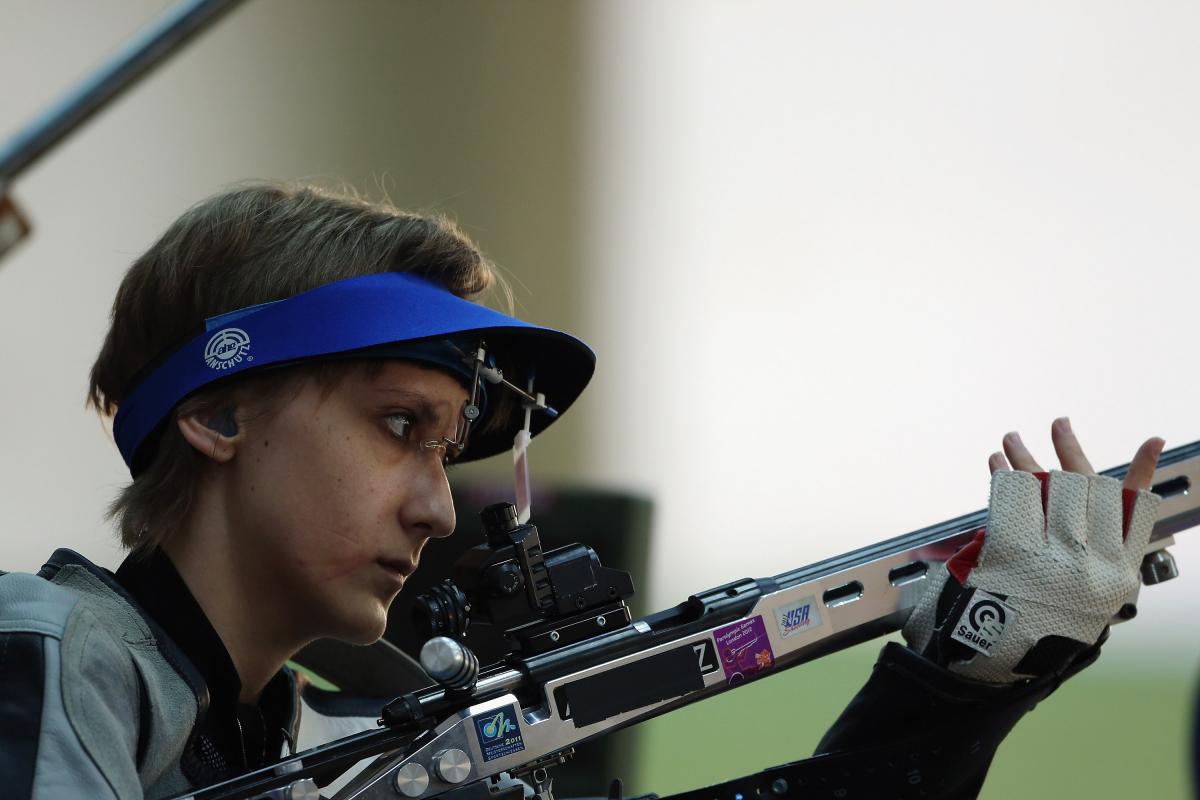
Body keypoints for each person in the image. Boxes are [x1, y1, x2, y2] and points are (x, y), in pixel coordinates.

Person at [0, 182, 1164, 800]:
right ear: (214, 411)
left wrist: (962, 683)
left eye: (448, 447)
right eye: (399, 425)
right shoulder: (53, 654)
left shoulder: (327, 740)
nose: (438, 507)